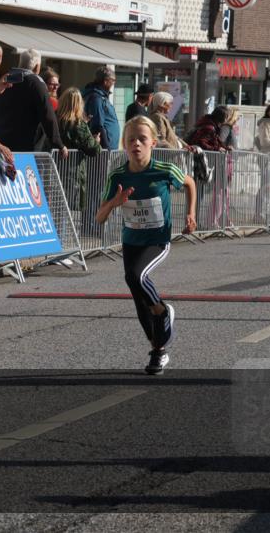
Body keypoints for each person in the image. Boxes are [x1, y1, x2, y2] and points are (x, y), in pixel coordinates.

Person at [96, 115, 197, 375]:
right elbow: (99, 217)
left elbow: (190, 183)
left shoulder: (163, 170)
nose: (136, 144)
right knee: (137, 294)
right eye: (131, 140)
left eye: (142, 139)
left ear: (153, 142)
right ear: (125, 145)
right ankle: (158, 351)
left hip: (157, 240)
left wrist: (191, 214)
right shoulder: (117, 175)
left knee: (136, 275)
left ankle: (163, 311)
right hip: (132, 241)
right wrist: (114, 203)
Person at [0, 48, 67, 156]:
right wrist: (58, 144)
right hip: (23, 144)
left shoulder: (6, 78)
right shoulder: (35, 82)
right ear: (37, 66)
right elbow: (47, 115)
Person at [56, 87, 101, 213]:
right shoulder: (78, 124)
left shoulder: (54, 119)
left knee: (54, 205)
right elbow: (94, 149)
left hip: (52, 167)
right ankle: (62, 232)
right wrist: (96, 141)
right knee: (66, 207)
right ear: (78, 104)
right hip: (71, 171)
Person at [83, 65, 120, 151]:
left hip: (109, 147)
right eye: (113, 80)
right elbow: (97, 125)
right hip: (104, 150)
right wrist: (106, 148)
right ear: (105, 81)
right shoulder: (97, 98)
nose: (114, 83)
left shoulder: (101, 97)